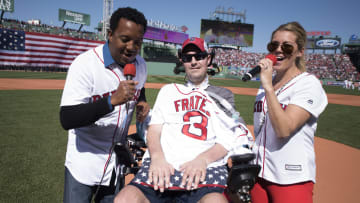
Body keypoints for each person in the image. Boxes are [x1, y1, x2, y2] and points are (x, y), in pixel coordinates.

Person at [114, 37, 251, 203]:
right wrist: (157, 157)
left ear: (208, 59)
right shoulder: (168, 91)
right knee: (125, 199)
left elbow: (230, 137)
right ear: (182, 61)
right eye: (187, 58)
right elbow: (154, 130)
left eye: (199, 56)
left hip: (206, 171)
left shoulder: (223, 95)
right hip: (163, 166)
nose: (193, 62)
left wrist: (203, 160)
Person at [59, 7, 149, 203]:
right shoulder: (85, 64)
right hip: (84, 164)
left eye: (138, 42)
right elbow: (67, 118)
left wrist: (142, 101)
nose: (132, 47)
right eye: (125, 39)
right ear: (110, 34)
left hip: (116, 165)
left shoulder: (140, 65)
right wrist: (111, 101)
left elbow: (140, 89)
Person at [250, 22, 328, 203]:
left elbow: (284, 129)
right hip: (259, 172)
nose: (278, 50)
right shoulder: (264, 85)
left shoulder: (308, 84)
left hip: (290, 177)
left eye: (286, 46)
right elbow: (260, 129)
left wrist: (269, 86)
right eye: (273, 45)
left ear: (300, 51)